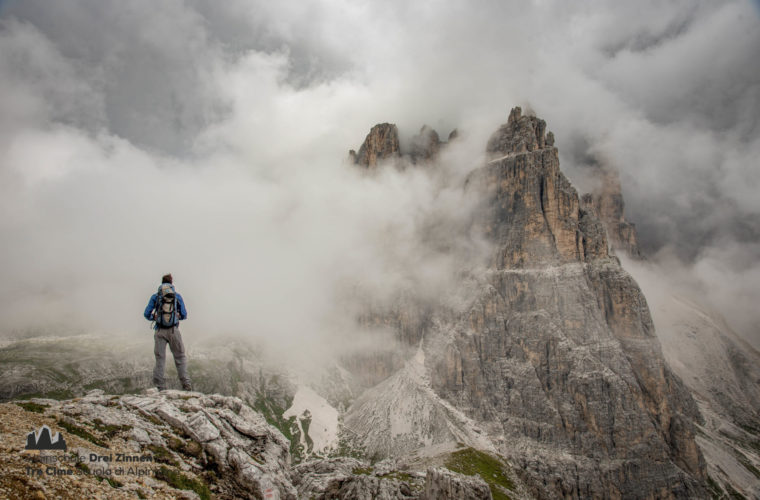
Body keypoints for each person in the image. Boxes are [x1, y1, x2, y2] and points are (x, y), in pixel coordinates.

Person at [143, 273, 192, 391]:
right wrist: (176, 317)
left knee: (160, 359)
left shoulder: (156, 297)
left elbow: (146, 313)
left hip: (159, 330)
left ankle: (159, 387)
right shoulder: (176, 296)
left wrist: (154, 318)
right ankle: (186, 384)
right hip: (173, 331)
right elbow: (184, 314)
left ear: (162, 283)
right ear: (171, 283)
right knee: (180, 357)